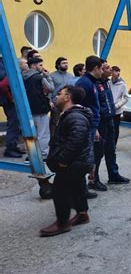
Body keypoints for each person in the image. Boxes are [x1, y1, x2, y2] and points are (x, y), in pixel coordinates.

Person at [40, 86, 94, 237]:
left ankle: (62, 223)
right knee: (77, 186)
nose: (56, 96)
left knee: (60, 190)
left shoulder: (75, 116)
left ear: (67, 97)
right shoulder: (71, 114)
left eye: (59, 94)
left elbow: (76, 140)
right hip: (79, 161)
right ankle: (83, 215)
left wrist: (63, 161)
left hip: (74, 162)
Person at [89, 61, 130, 191]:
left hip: (110, 119)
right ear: (99, 69)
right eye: (107, 68)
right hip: (100, 122)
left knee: (111, 150)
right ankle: (93, 180)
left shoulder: (106, 82)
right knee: (98, 152)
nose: (110, 69)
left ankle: (113, 175)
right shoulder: (92, 84)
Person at [76, 56, 104, 199]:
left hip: (92, 126)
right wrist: (90, 126)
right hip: (86, 126)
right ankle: (81, 190)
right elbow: (80, 105)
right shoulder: (84, 83)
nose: (103, 71)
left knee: (88, 157)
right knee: (83, 158)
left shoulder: (92, 82)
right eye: (102, 68)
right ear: (96, 68)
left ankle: (84, 188)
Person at [22, 57, 54, 158]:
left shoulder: (22, 76)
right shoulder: (39, 77)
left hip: (27, 109)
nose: (42, 67)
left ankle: (30, 156)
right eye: (40, 65)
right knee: (43, 133)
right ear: (34, 66)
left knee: (30, 133)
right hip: (40, 108)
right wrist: (48, 77)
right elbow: (50, 88)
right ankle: (43, 155)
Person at [0, 57, 24, 158]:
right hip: (9, 103)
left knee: (15, 124)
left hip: (8, 101)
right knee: (13, 125)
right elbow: (3, 85)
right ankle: (10, 149)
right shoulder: (9, 70)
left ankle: (13, 146)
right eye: (25, 63)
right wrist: (11, 98)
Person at [50, 57, 75, 135]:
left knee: (68, 120)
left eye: (66, 63)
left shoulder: (71, 76)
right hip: (56, 102)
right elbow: (49, 90)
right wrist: (50, 101)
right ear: (58, 65)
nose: (66, 65)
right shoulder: (52, 76)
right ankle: (53, 138)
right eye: (63, 63)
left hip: (68, 102)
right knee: (54, 121)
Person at [110, 66, 129, 145]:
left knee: (115, 128)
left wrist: (117, 105)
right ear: (111, 72)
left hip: (116, 111)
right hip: (108, 109)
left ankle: (114, 145)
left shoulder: (122, 84)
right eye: (115, 71)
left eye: (118, 71)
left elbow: (126, 97)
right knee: (108, 128)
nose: (118, 73)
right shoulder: (108, 82)